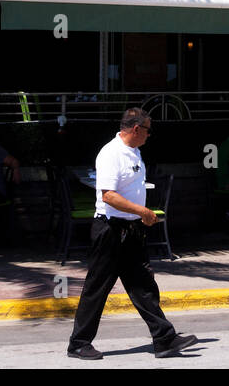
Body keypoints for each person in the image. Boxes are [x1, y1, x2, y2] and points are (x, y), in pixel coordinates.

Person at [66, 108, 197, 361]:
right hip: (111, 230)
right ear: (136, 129)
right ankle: (78, 343)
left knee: (144, 285)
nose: (150, 135)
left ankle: (164, 338)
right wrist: (143, 211)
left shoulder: (135, 152)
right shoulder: (111, 153)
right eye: (147, 130)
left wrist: (138, 216)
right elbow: (108, 195)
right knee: (97, 287)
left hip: (131, 230)